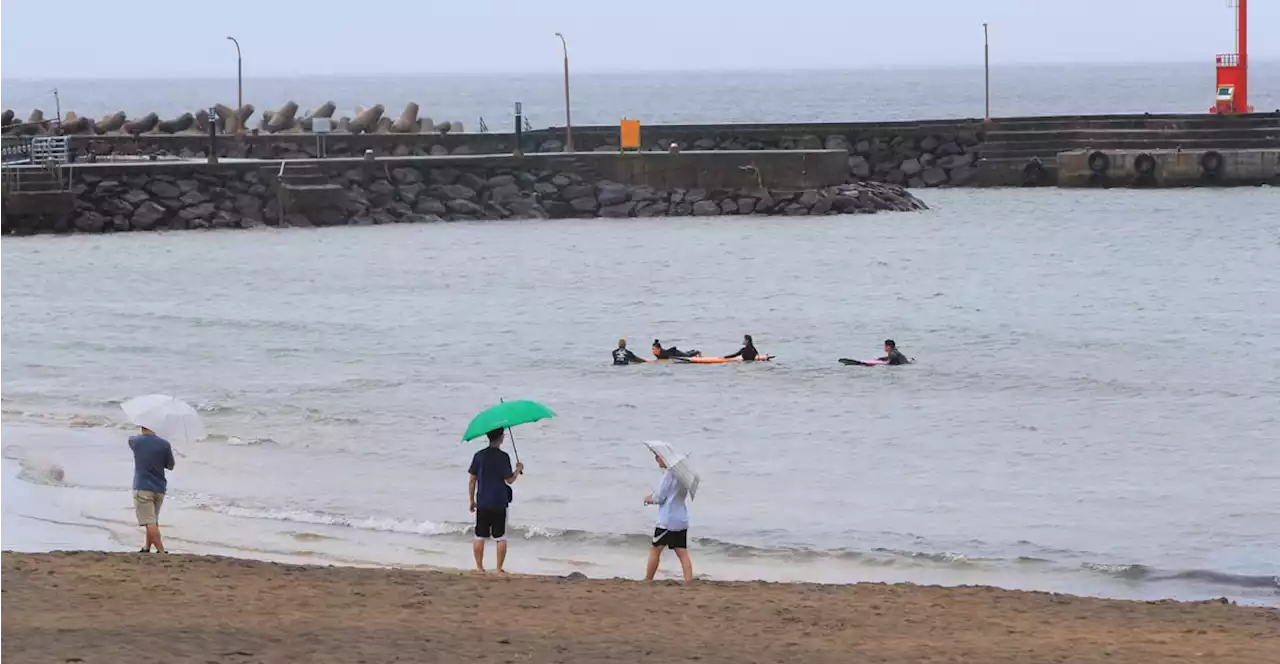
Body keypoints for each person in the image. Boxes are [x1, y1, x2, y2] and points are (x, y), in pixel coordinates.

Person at [468, 428, 523, 574]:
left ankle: (479, 568)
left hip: (483, 501)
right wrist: (518, 470)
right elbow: (509, 480)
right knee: (501, 537)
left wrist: (471, 500)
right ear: (501, 437)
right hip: (499, 501)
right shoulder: (503, 457)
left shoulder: (479, 456)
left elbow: (472, 480)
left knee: (480, 535)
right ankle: (499, 569)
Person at [644, 451, 693, 583]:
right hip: (681, 519)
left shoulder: (668, 475)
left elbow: (660, 497)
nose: (656, 459)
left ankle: (648, 579)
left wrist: (649, 499)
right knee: (682, 553)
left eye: (658, 456)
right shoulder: (684, 477)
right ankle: (689, 581)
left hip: (667, 521)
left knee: (655, 550)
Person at [129, 426, 175, 554]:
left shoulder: (134, 441)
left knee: (149, 521)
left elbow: (133, 442)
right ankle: (146, 547)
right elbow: (170, 466)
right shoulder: (164, 444)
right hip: (159, 486)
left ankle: (161, 551)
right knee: (153, 520)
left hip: (142, 486)